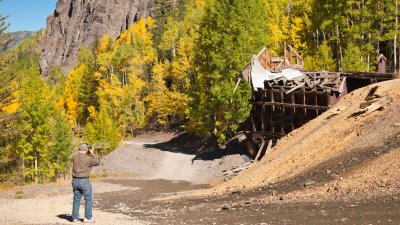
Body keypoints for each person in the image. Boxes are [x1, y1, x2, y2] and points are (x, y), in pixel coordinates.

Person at [71, 143, 101, 223]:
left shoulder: (74, 157)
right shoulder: (88, 159)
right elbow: (98, 162)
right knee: (88, 199)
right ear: (87, 149)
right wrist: (92, 153)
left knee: (76, 199)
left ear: (79, 150)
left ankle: (75, 218)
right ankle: (87, 218)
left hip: (74, 181)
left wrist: (83, 151)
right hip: (84, 181)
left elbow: (77, 155)